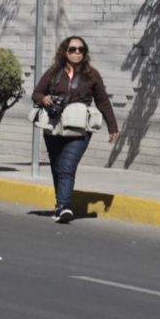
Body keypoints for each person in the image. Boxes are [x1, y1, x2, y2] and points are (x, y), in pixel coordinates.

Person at [30, 36, 121, 222]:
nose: (77, 53)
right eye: (72, 49)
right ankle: (60, 205)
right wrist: (44, 99)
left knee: (67, 166)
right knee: (57, 167)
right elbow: (36, 93)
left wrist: (113, 128)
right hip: (54, 128)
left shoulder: (92, 74)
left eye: (81, 49)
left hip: (80, 130)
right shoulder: (54, 72)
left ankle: (64, 207)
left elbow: (103, 101)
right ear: (65, 52)